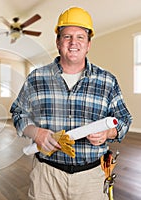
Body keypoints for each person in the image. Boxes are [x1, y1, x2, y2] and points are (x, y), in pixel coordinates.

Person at [10, 7, 132, 200]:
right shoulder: (37, 78)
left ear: (88, 44)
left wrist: (109, 132)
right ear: (58, 42)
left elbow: (124, 119)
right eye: (67, 36)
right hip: (46, 176)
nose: (73, 42)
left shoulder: (107, 81)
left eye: (80, 37)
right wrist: (36, 132)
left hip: (91, 178)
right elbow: (18, 113)